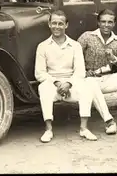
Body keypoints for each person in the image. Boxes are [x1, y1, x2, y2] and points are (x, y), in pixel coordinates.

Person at [35, 10, 99, 143]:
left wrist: (69, 84)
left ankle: (84, 128)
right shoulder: (42, 46)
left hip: (72, 84)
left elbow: (80, 71)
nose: (57, 27)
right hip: (53, 84)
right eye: (54, 23)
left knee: (86, 87)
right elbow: (40, 73)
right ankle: (48, 129)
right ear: (49, 24)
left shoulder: (75, 45)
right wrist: (58, 83)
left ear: (66, 25)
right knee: (43, 88)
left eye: (60, 23)